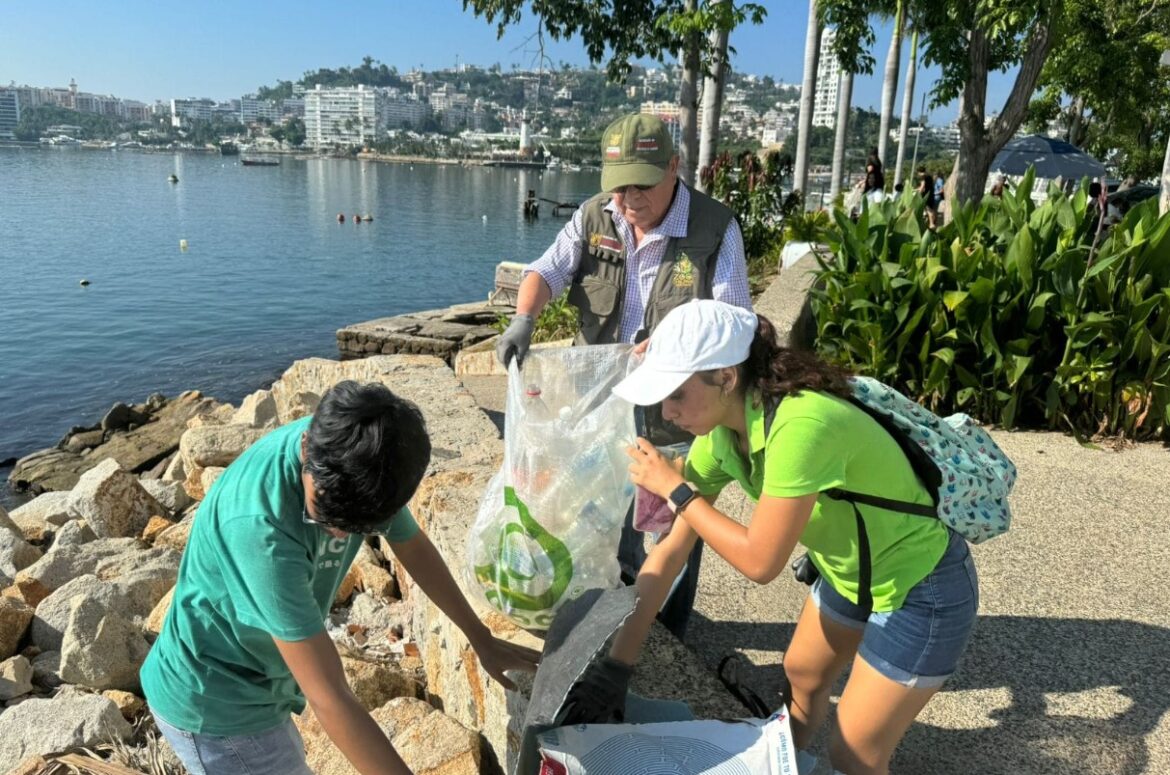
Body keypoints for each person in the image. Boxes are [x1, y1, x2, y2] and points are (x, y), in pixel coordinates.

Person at [567, 300, 979, 775]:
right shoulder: (722, 436)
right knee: (801, 678)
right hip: (849, 572)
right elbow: (671, 550)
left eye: (677, 393)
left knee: (854, 756)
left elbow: (761, 563)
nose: (667, 411)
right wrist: (617, 667)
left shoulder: (801, 426)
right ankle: (785, 767)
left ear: (725, 377)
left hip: (922, 588)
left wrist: (677, 491)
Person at [140, 380, 541, 775]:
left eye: (357, 525)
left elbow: (411, 545)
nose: (340, 533)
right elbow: (330, 696)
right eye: (325, 515)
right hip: (216, 699)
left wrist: (479, 636)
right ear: (305, 449)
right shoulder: (261, 531)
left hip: (264, 680)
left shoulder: (363, 459)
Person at [494, 112, 752, 638]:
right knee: (603, 524)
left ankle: (667, 636)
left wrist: (676, 343)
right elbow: (546, 270)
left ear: (674, 167)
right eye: (619, 186)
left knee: (675, 531)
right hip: (600, 411)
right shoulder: (595, 218)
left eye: (643, 184)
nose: (629, 199)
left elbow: (735, 324)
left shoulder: (715, 229)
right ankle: (612, 624)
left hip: (679, 418)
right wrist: (525, 319)